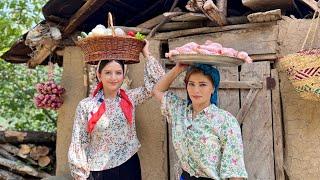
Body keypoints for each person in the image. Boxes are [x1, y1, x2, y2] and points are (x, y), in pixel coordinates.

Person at [68, 41, 165, 180]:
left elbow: (159, 84)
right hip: (99, 171)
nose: (114, 78)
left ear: (123, 75)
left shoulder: (130, 98)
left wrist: (146, 53)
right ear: (99, 75)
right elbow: (79, 141)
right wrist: (80, 175)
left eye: (118, 73)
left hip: (128, 165)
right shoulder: (86, 105)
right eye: (108, 73)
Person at [152, 62, 248, 180]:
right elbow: (157, 90)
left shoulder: (225, 121)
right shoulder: (179, 110)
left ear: (213, 88)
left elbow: (235, 171)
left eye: (202, 84)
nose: (195, 90)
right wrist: (178, 69)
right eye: (191, 84)